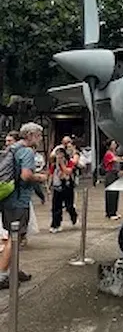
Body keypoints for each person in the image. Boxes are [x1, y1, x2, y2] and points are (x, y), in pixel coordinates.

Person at [0, 122, 47, 289]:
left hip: (7, 198)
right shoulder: (26, 151)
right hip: (19, 201)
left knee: (12, 236)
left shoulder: (13, 148)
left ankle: (13, 270)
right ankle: (3, 274)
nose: (40, 139)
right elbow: (26, 175)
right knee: (15, 238)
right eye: (39, 135)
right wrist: (40, 178)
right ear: (30, 135)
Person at [48, 146, 78, 232]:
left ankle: (73, 216)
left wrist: (62, 164)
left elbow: (68, 171)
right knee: (56, 207)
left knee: (69, 206)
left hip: (67, 187)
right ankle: (55, 224)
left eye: (61, 156)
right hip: (57, 187)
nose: (59, 158)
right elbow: (50, 175)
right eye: (58, 156)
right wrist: (48, 186)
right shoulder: (54, 165)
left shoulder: (69, 162)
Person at [103, 140, 123, 220]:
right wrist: (121, 158)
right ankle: (110, 213)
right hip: (110, 174)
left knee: (115, 194)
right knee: (111, 194)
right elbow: (116, 159)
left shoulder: (114, 153)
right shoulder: (109, 153)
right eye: (113, 144)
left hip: (115, 174)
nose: (115, 145)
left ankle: (114, 211)